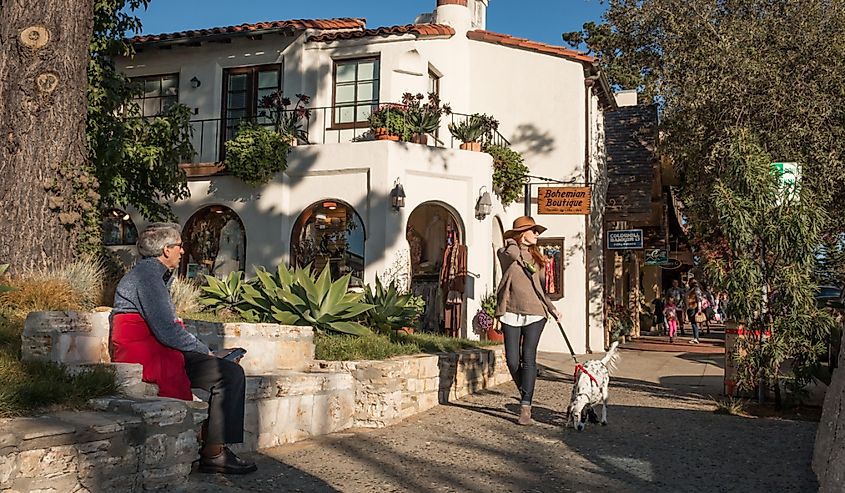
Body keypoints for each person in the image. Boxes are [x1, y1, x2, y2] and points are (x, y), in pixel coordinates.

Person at [110, 223, 257, 475]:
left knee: (229, 372)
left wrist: (207, 352)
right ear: (166, 250)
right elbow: (167, 330)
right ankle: (214, 454)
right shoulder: (148, 278)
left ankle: (214, 449)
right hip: (150, 352)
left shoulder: (154, 275)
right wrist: (207, 353)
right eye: (179, 246)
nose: (182, 250)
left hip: (160, 348)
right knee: (229, 375)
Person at [495, 216, 561, 426]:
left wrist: (552, 308)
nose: (537, 235)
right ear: (522, 233)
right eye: (534, 231)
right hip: (511, 311)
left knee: (528, 356)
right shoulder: (507, 253)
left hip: (535, 312)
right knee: (513, 360)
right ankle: (525, 389)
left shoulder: (538, 259)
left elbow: (540, 289)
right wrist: (515, 240)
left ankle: (525, 406)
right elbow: (511, 252)